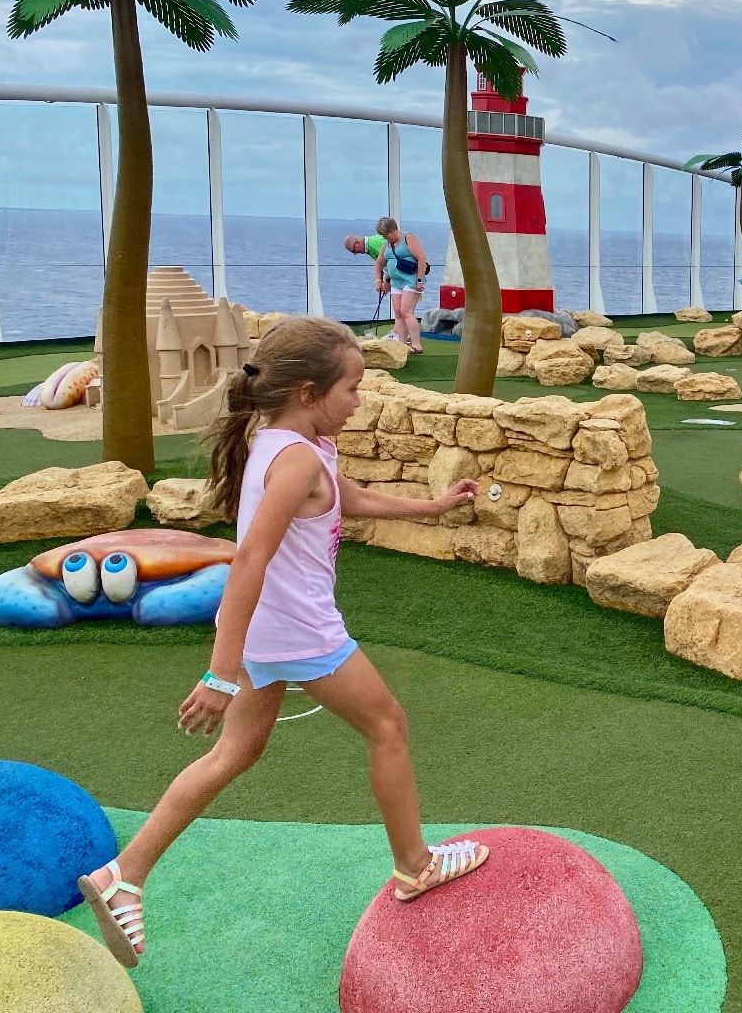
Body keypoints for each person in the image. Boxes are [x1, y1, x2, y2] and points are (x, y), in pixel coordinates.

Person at [78, 318, 488, 969]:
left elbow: (344, 496)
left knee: (234, 754)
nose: (359, 399)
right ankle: (414, 866)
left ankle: (122, 876)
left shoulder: (290, 441)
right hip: (298, 629)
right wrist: (218, 674)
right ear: (307, 391)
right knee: (388, 726)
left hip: (272, 628)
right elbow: (248, 562)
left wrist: (430, 508)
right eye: (352, 387)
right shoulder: (296, 456)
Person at [372, 218, 427, 354]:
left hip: (411, 280)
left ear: (392, 230)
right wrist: (379, 281)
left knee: (406, 312)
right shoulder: (387, 245)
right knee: (397, 312)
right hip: (396, 282)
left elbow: (421, 258)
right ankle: (401, 344)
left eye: (386, 234)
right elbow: (379, 263)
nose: (385, 238)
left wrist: (419, 280)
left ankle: (416, 345)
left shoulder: (408, 238)